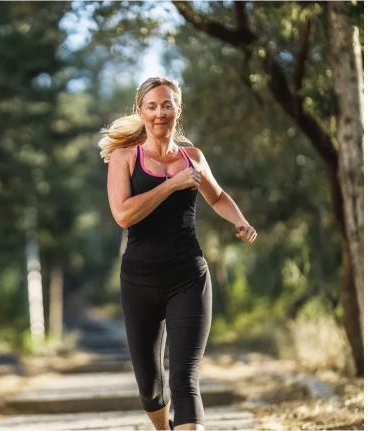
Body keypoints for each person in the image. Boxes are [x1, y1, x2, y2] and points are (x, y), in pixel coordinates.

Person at [99, 77, 257, 431]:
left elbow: (216, 196)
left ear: (178, 109)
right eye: (152, 106)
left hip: (189, 277)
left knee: (184, 380)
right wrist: (172, 184)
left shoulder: (193, 157)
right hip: (139, 281)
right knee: (151, 388)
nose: (160, 113)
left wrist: (240, 219)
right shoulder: (125, 158)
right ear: (140, 112)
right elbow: (123, 214)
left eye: (167, 105)